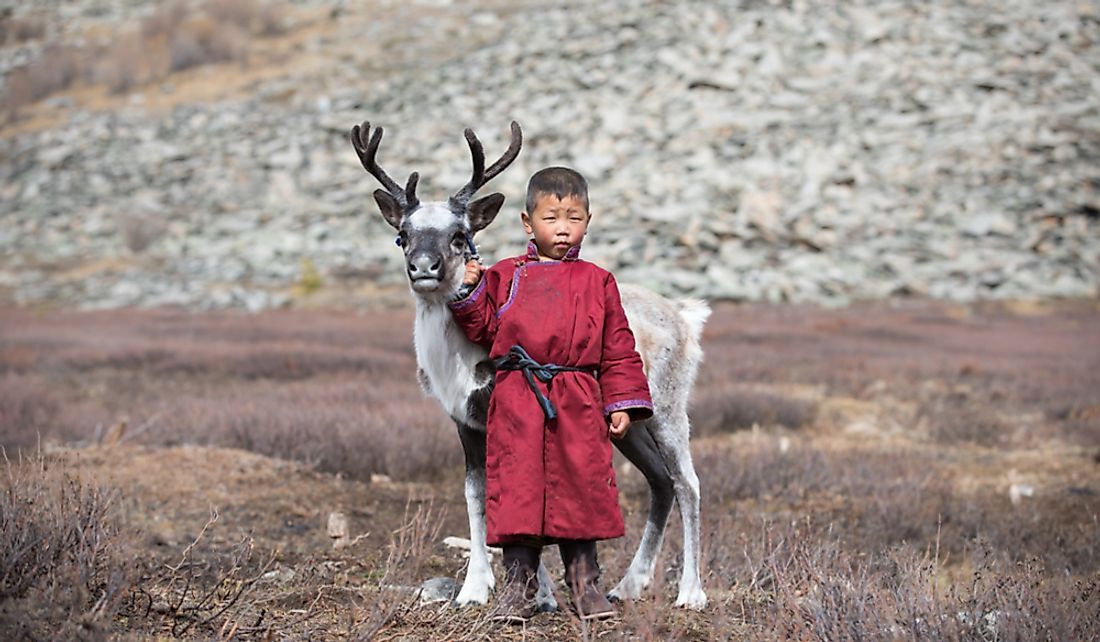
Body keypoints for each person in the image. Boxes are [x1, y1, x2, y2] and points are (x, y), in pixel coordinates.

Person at [448, 166, 653, 622]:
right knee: (517, 490)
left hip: (578, 398)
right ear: (527, 223)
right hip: (518, 399)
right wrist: (468, 291)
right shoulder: (503, 276)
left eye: (574, 218)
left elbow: (618, 346)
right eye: (551, 218)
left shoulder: (598, 281)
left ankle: (585, 586)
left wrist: (622, 401)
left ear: (588, 220)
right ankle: (518, 590)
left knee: (581, 488)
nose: (563, 228)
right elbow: (483, 328)